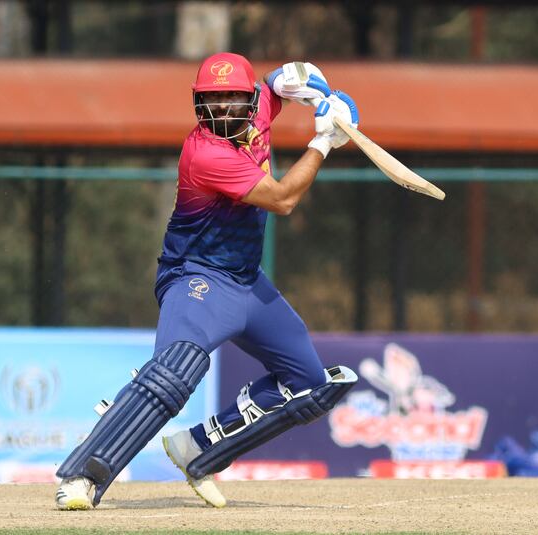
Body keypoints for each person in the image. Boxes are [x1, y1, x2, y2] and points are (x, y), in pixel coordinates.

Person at [55, 52, 359, 510]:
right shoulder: (206, 153)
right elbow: (282, 200)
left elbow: (276, 85)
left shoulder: (256, 108)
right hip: (196, 278)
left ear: (248, 100)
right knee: (175, 373)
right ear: (200, 106)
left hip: (246, 282)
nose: (223, 110)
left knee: (311, 386)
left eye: (232, 99)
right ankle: (83, 477)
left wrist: (304, 82)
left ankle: (199, 449)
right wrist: (323, 139)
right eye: (212, 101)